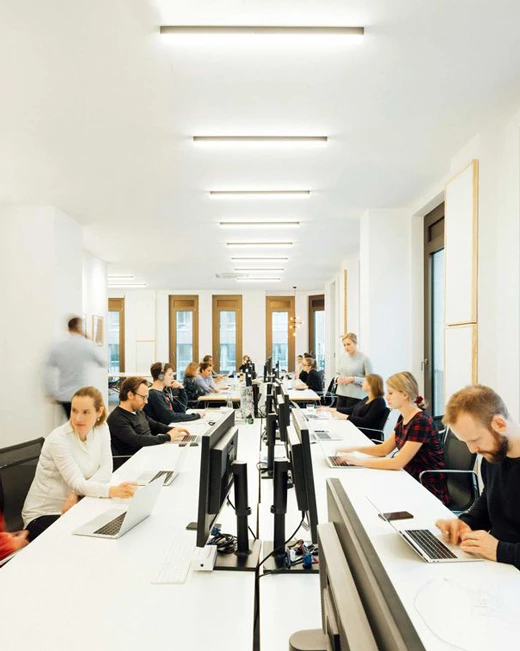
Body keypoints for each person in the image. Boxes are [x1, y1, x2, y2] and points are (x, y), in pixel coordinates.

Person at [22, 386, 137, 541]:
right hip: (44, 515)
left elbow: (106, 469)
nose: (77, 418)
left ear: (99, 412)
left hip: (79, 504)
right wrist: (111, 491)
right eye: (74, 411)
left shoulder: (102, 428)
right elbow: (77, 483)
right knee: (92, 537)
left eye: (85, 412)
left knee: (112, 525)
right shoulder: (58, 439)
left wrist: (76, 493)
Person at [435, 385, 520, 568]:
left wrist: (500, 550)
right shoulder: (492, 458)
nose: (472, 450)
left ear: (499, 424)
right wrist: (465, 523)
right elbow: (489, 503)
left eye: (474, 440)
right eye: (465, 442)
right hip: (497, 565)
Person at [336, 372, 449, 504]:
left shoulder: (421, 421)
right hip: (407, 478)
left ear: (405, 394)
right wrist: (354, 449)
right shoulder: (404, 416)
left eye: (390, 393)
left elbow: (397, 463)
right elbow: (384, 449)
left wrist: (358, 461)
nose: (386, 397)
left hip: (426, 487)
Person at [107, 377, 189, 457]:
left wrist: (174, 430)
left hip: (149, 453)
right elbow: (136, 440)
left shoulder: (138, 411)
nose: (146, 402)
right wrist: (168, 437)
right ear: (130, 395)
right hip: (134, 461)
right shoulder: (117, 419)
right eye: (143, 397)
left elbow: (155, 426)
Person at [43, 316, 106, 418]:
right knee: (81, 423)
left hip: (63, 395)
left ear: (68, 328)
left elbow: (47, 370)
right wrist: (88, 339)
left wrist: (51, 392)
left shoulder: (58, 345)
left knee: (69, 423)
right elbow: (102, 362)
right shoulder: (85, 344)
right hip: (81, 394)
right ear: (80, 328)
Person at [319, 373, 387, 430]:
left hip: (363, 433)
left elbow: (366, 422)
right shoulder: (367, 398)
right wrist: (329, 409)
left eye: (365, 381)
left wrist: (343, 416)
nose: (362, 383)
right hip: (355, 428)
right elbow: (351, 410)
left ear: (371, 385)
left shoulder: (379, 402)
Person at [335, 333, 373, 410]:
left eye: (348, 344)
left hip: (356, 396)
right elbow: (337, 373)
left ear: (355, 343)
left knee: (351, 417)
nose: (346, 347)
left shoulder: (364, 359)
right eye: (344, 345)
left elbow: (371, 380)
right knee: (338, 415)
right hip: (341, 393)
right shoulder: (343, 357)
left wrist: (353, 379)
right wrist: (337, 378)